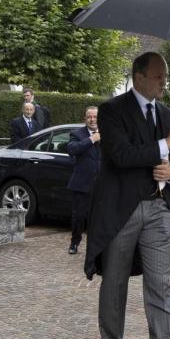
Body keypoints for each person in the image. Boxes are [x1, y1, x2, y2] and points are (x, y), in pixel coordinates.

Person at [83, 51, 170, 339]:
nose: (164, 82)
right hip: (120, 210)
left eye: (165, 76)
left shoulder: (168, 114)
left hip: (158, 209)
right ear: (139, 76)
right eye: (159, 76)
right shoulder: (112, 111)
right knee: (115, 284)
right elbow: (120, 155)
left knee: (161, 284)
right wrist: (165, 143)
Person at [65, 106, 101, 255]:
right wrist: (91, 139)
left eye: (95, 117)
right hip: (82, 184)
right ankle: (74, 243)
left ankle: (97, 247)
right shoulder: (77, 134)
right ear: (85, 119)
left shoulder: (109, 133)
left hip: (101, 185)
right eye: (89, 117)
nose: (92, 119)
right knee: (79, 217)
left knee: (99, 218)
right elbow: (72, 149)